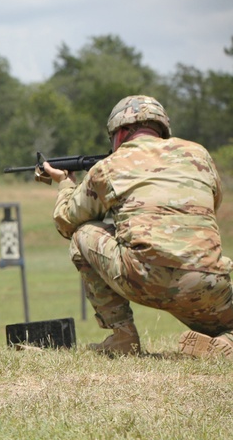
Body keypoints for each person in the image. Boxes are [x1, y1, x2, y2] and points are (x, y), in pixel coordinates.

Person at [37, 95, 233, 358]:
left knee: (82, 235)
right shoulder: (200, 155)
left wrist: (65, 184)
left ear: (120, 133)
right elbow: (211, 204)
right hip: (208, 282)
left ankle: (123, 338)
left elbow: (66, 222)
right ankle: (227, 344)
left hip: (146, 278)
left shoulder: (108, 167)